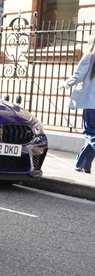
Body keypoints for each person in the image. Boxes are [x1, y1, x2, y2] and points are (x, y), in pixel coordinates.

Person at [60, 36, 95, 173]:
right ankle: (83, 164)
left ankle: (82, 164)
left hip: (91, 104)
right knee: (92, 135)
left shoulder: (89, 57)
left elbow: (77, 76)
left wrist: (64, 84)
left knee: (90, 133)